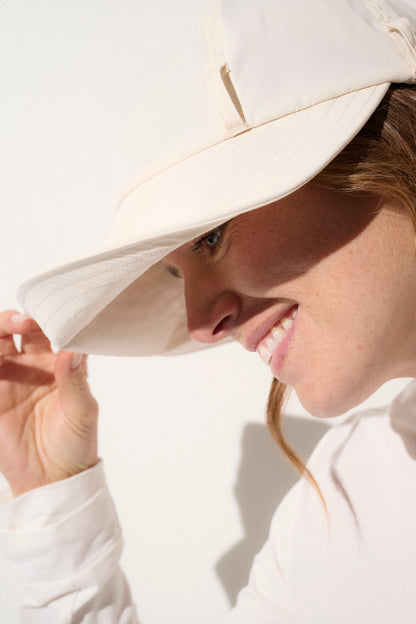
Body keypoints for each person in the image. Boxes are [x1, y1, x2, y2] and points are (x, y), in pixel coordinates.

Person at [1, 0, 416, 622]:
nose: (202, 325)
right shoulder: (347, 497)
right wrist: (53, 497)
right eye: (175, 276)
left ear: (382, 147)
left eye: (212, 237)